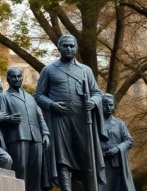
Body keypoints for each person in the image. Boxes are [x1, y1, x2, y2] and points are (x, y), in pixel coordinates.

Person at [35, 35, 107, 191]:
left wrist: (93, 101)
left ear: (76, 48)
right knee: (62, 159)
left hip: (82, 120)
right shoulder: (49, 70)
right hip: (60, 119)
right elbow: (39, 95)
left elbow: (97, 93)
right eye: (65, 46)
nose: (69, 49)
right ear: (59, 48)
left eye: (72, 46)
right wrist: (52, 105)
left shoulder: (85, 70)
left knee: (86, 158)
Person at [0, 67, 50, 191]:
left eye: (19, 76)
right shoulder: (4, 96)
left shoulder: (30, 97)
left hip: (36, 137)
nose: (17, 79)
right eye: (13, 76)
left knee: (36, 170)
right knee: (20, 169)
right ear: (8, 79)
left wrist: (45, 134)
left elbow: (40, 117)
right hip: (17, 136)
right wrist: (9, 119)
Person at [101, 93, 136, 191]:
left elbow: (129, 140)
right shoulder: (94, 125)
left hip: (117, 163)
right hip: (101, 164)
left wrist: (117, 149)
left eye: (111, 105)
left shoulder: (119, 124)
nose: (108, 107)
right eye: (105, 104)